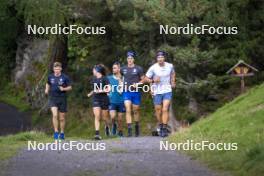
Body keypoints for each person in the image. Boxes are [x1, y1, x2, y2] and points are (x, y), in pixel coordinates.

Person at [145, 51, 176, 137]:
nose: (160, 59)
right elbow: (146, 78)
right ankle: (161, 125)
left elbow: (173, 73)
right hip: (156, 91)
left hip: (167, 90)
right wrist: (153, 81)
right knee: (158, 110)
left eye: (161, 57)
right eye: (158, 58)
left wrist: (173, 81)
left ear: (164, 58)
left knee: (165, 109)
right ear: (157, 59)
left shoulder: (170, 66)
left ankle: (164, 129)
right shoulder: (153, 68)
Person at [45, 62, 72, 140]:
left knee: (62, 118)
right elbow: (48, 83)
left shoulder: (65, 77)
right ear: (53, 69)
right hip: (53, 98)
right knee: (55, 115)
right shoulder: (50, 76)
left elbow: (70, 87)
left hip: (62, 98)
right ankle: (56, 132)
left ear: (61, 69)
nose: (56, 70)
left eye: (58, 69)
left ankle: (62, 132)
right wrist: (46, 89)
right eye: (55, 69)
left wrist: (64, 89)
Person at [121, 51, 144, 137]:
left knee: (136, 110)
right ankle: (130, 130)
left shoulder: (138, 69)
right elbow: (119, 78)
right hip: (126, 91)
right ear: (127, 59)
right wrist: (121, 85)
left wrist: (138, 84)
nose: (129, 60)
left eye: (131, 58)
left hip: (136, 92)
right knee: (128, 109)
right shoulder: (123, 69)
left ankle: (137, 126)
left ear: (133, 59)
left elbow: (143, 80)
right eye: (128, 58)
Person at [87, 64, 111, 140]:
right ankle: (97, 134)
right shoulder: (93, 79)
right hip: (96, 99)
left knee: (105, 118)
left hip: (104, 99)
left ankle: (107, 126)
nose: (93, 71)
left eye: (94, 69)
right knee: (97, 116)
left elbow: (109, 89)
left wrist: (101, 90)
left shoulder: (105, 79)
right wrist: (90, 93)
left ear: (97, 70)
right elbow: (95, 89)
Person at [107, 62, 125, 137]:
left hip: (121, 101)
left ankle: (120, 132)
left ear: (119, 69)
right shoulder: (109, 78)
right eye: (113, 68)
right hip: (112, 101)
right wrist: (108, 93)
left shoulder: (123, 78)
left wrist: (121, 82)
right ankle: (114, 125)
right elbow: (107, 88)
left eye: (115, 68)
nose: (113, 69)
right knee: (113, 117)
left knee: (120, 118)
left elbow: (122, 90)